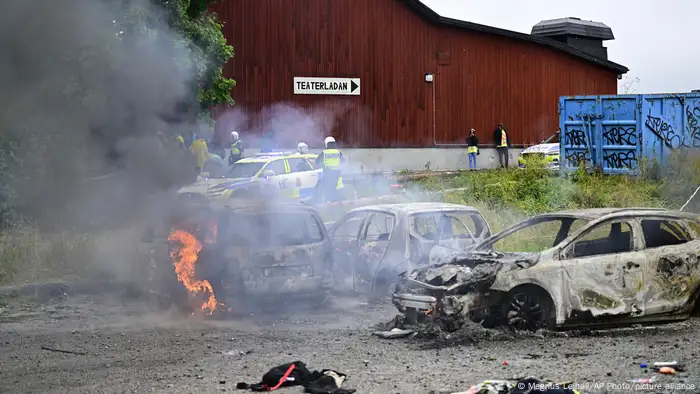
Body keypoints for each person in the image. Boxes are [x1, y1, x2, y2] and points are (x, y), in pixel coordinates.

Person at [315, 136, 345, 202]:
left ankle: (329, 202)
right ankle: (339, 201)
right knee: (338, 189)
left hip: (328, 174)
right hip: (337, 174)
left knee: (329, 190)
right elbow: (343, 161)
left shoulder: (324, 153)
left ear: (326, 144)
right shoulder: (338, 152)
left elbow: (317, 162)